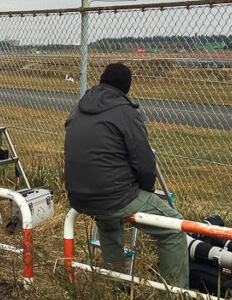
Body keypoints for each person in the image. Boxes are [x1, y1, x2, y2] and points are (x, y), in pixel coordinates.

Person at [63, 63, 189, 288]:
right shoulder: (126, 112)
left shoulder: (79, 108)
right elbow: (144, 162)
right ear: (126, 88)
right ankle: (175, 297)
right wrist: (145, 189)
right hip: (113, 196)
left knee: (109, 224)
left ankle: (117, 288)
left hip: (78, 195)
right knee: (174, 228)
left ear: (101, 81)